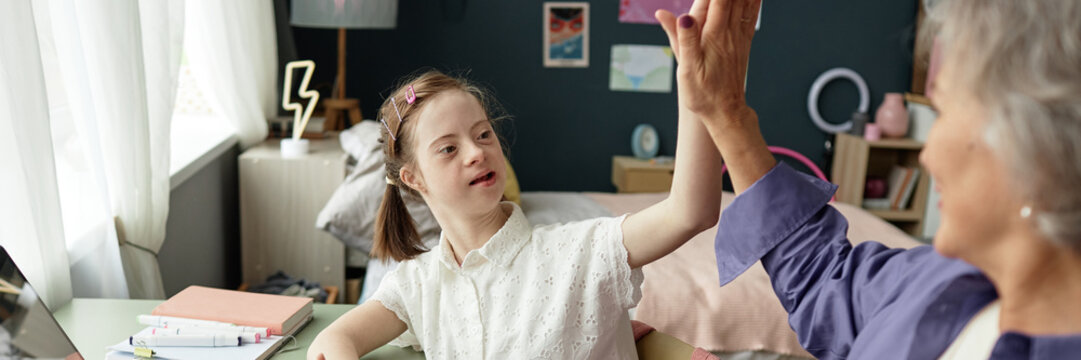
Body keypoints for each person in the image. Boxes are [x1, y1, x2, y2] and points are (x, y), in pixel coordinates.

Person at [659, 0, 1081, 358]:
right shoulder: (946, 280)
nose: (928, 156)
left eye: (944, 111)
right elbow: (826, 282)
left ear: (1038, 153)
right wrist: (727, 114)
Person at [307, 26, 724, 359]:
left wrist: (697, 95)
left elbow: (691, 212)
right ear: (414, 179)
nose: (477, 153)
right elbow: (334, 340)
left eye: (484, 134)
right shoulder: (416, 284)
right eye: (449, 149)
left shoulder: (580, 251)